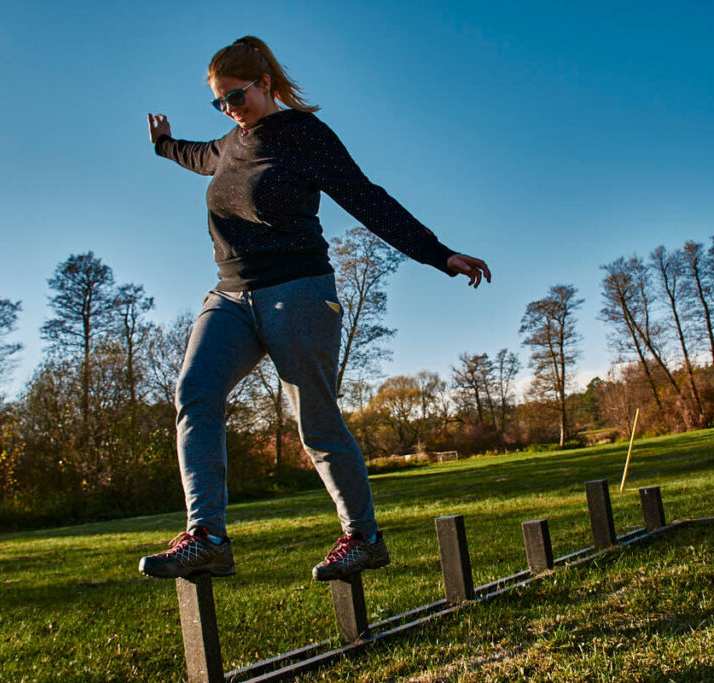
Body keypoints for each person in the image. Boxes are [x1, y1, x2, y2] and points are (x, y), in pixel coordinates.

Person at [138, 36, 491, 582]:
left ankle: (363, 538)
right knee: (194, 393)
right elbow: (195, 155)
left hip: (298, 290)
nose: (230, 109)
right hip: (229, 295)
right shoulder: (229, 144)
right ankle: (207, 536)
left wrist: (438, 254)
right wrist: (163, 144)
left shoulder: (306, 136)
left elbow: (367, 198)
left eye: (237, 96)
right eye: (219, 102)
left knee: (316, 422)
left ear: (267, 86)